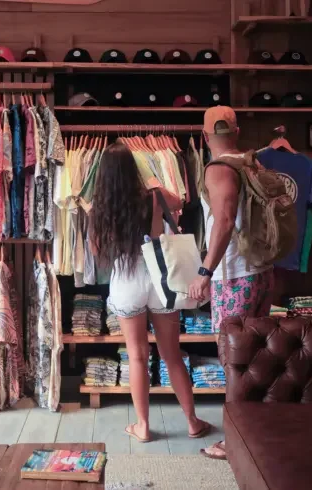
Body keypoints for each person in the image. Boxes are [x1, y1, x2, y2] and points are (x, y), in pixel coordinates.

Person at [91, 142, 210, 443]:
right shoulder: (153, 197)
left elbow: (95, 250)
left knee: (137, 357)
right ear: (133, 168)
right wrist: (154, 183)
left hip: (126, 280)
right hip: (160, 277)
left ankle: (142, 426)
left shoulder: (98, 207)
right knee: (171, 356)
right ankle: (193, 422)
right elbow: (179, 200)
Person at [189, 106, 275, 460]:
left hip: (234, 275)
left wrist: (205, 271)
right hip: (260, 271)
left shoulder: (219, 168)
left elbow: (223, 221)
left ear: (205, 135)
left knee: (233, 359)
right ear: (236, 131)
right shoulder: (252, 163)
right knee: (255, 354)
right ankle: (259, 427)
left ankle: (234, 439)